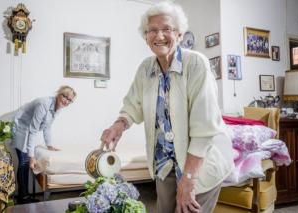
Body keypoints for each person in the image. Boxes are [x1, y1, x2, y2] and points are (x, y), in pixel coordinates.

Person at [100, 2, 234, 213]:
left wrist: (189, 179)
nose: (159, 35)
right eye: (153, 30)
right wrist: (119, 124)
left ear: (180, 34)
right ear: (146, 37)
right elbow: (132, 104)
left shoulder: (196, 64)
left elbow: (204, 128)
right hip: (165, 162)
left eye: (167, 29)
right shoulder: (146, 68)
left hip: (201, 161)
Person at [12, 85, 76, 204]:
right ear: (59, 93)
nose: (66, 101)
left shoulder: (57, 108)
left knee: (25, 162)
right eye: (65, 97)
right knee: (24, 162)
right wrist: (32, 156)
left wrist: (49, 145)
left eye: (70, 100)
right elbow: (33, 129)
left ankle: (23, 196)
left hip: (28, 129)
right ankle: (23, 197)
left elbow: (47, 127)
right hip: (21, 127)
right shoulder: (44, 104)